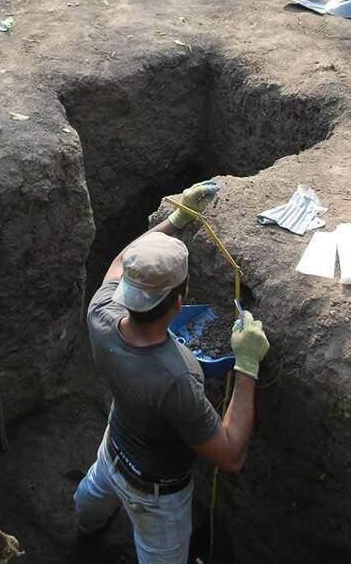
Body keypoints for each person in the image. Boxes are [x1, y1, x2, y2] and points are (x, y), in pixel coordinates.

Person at [74, 180, 269, 564]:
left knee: (89, 501)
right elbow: (229, 456)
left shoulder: (100, 312)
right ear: (179, 303)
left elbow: (120, 263)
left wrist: (177, 219)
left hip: (114, 450)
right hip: (155, 494)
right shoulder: (177, 379)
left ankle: (83, 537)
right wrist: (247, 366)